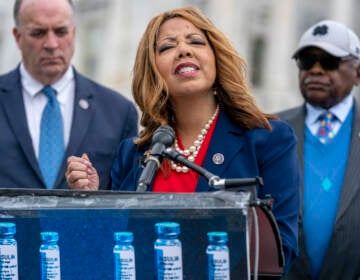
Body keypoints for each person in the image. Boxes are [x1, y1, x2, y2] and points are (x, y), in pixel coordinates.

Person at [66, 6, 300, 273]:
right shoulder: (132, 155)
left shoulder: (268, 139)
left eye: (196, 41)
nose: (184, 50)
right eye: (167, 47)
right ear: (153, 69)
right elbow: (115, 249)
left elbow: (284, 249)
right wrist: (95, 200)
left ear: (216, 58)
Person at [0, 0, 138, 189]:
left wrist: (93, 197)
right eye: (38, 33)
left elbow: (127, 203)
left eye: (61, 31)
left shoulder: (118, 112)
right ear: (17, 37)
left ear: (74, 33)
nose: (51, 43)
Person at [277, 20, 360, 279]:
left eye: (328, 62)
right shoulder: (270, 131)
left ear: (357, 73)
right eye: (306, 61)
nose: (315, 70)